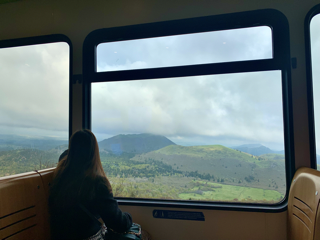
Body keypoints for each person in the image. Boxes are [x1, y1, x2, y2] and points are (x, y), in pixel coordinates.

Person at [49, 129, 132, 240]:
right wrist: (128, 217)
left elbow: (64, 156)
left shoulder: (60, 176)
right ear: (94, 152)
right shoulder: (97, 184)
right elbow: (119, 224)